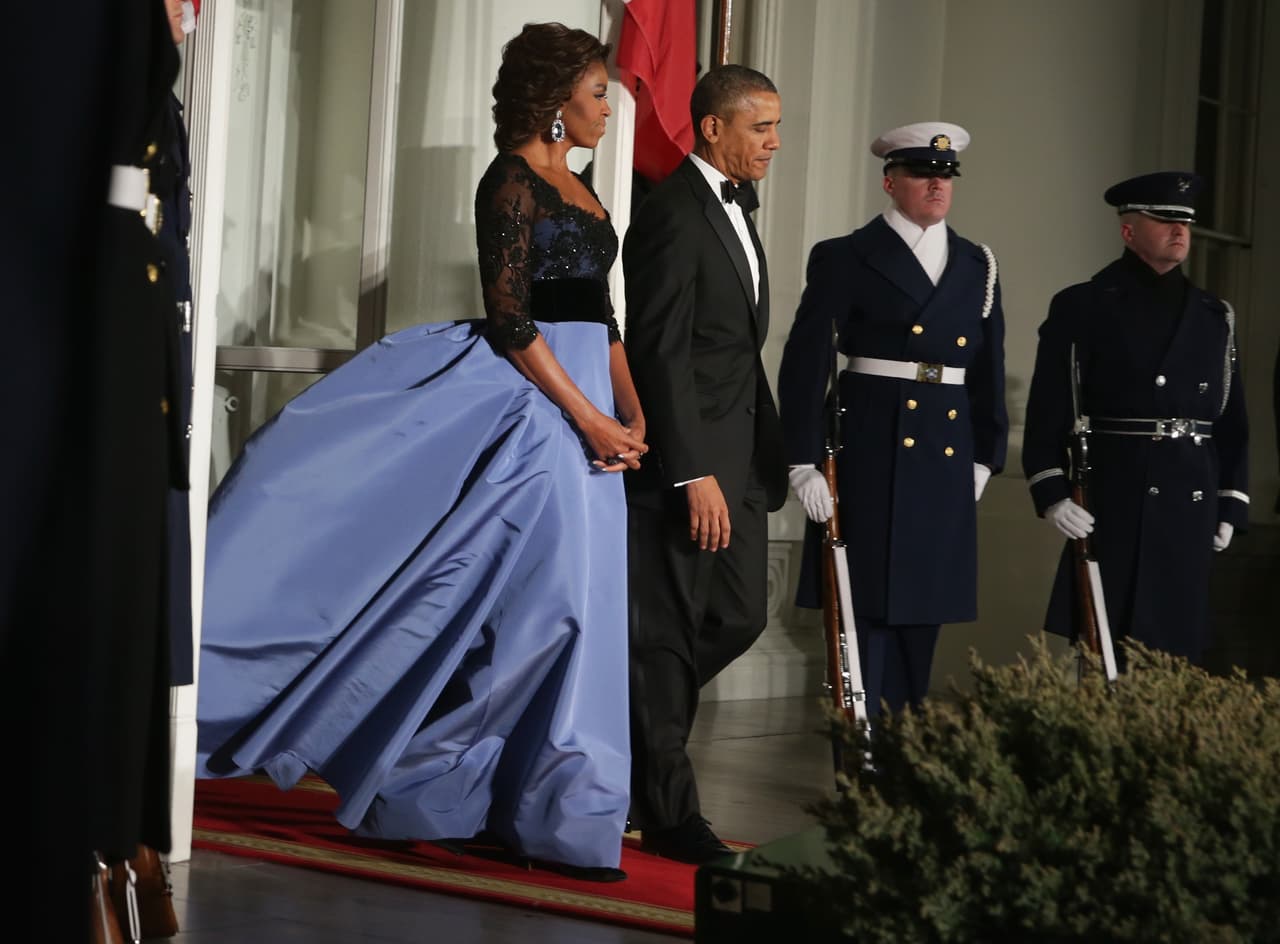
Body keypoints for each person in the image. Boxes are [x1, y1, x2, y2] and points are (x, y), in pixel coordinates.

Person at [196, 21, 646, 882]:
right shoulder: (508, 183)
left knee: (581, 612)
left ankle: (546, 806)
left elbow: (603, 316)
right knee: (547, 614)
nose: (606, 113)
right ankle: (443, 792)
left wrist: (632, 410)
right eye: (596, 96)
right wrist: (589, 419)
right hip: (541, 409)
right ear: (555, 104)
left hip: (593, 408)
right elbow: (513, 323)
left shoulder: (588, 195)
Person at [776, 121, 1008, 719]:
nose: (937, 186)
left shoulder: (977, 264)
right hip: (869, 444)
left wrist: (986, 455)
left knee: (924, 607)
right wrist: (801, 460)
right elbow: (806, 361)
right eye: (923, 175)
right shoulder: (846, 256)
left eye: (946, 176)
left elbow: (988, 369)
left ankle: (905, 744)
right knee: (866, 604)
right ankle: (865, 750)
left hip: (946, 449)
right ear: (890, 181)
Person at [622, 64, 788, 864]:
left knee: (739, 617)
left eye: (777, 126)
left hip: (742, 460)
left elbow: (733, 350)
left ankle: (628, 756)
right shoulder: (672, 214)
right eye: (761, 127)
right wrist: (690, 472)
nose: (775, 142)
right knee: (666, 634)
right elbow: (658, 350)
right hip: (691, 471)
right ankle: (669, 812)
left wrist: (770, 452)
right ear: (713, 128)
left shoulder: (737, 210)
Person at [1022, 171, 1248, 664]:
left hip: (1190, 502)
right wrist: (1052, 493)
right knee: (1107, 652)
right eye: (1165, 220)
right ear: (1129, 231)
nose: (1180, 231)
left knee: (1175, 660)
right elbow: (1048, 411)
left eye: (1186, 222)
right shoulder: (1083, 305)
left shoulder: (1214, 315)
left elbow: (1231, 423)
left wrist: (1230, 502)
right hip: (1116, 500)